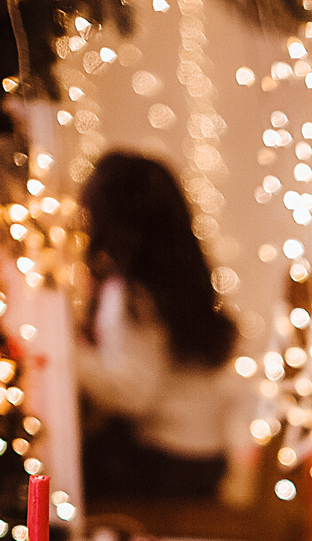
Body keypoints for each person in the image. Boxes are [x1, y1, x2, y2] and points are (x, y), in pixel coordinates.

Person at [75, 152, 242, 502]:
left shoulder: (131, 292)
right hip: (207, 458)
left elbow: (135, 394)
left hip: (165, 464)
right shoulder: (182, 280)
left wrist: (65, 353)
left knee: (70, 463)